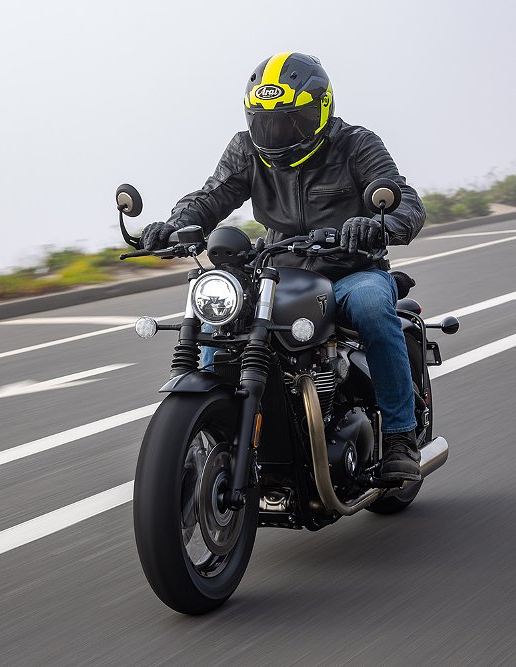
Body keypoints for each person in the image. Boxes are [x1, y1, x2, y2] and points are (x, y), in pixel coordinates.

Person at [140, 52, 426, 482]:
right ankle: (208, 430)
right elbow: (211, 196)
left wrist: (377, 225)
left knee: (371, 304)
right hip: (278, 273)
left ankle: (401, 436)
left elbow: (407, 203)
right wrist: (176, 224)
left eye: (290, 121)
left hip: (350, 271)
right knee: (221, 315)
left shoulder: (355, 144)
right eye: (266, 122)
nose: (277, 132)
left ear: (320, 110)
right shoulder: (246, 150)